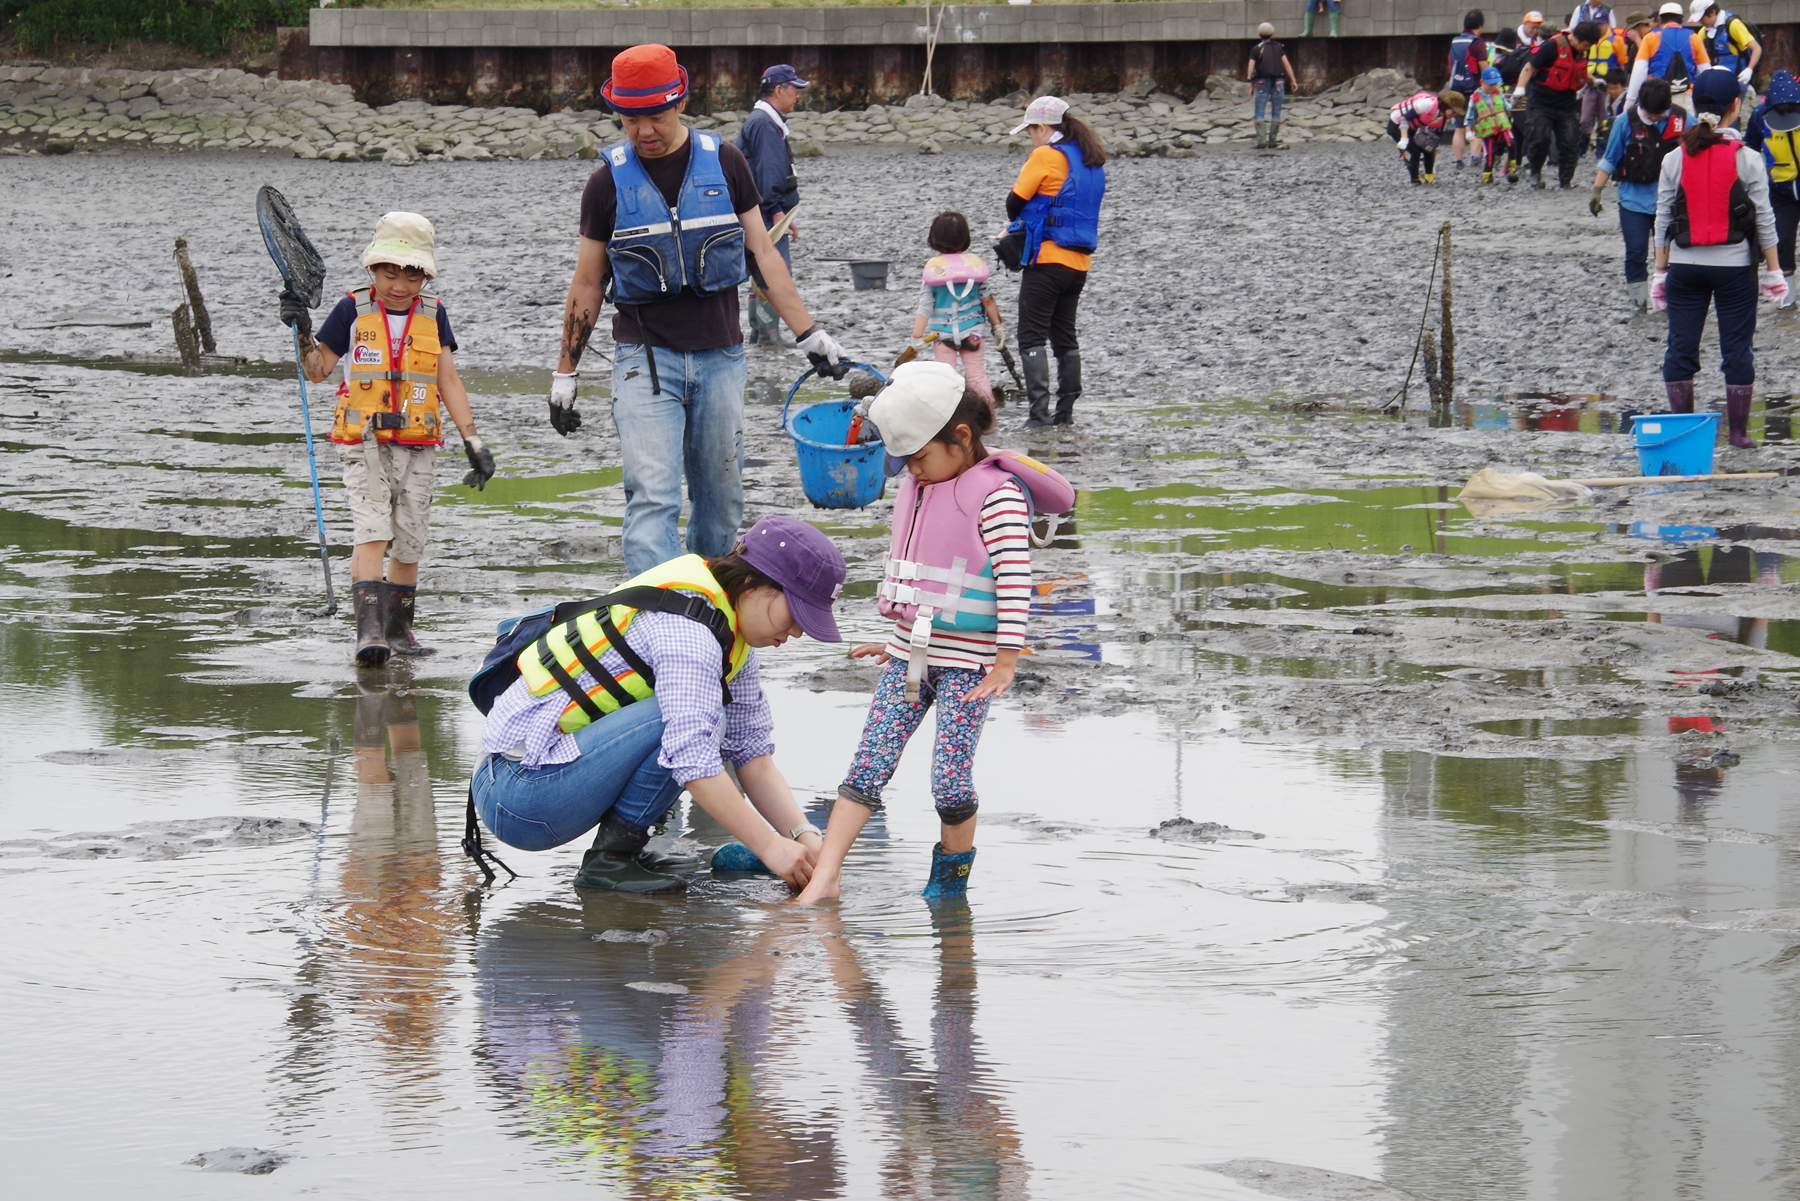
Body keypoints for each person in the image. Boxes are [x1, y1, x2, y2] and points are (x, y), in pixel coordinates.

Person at [548, 45, 847, 578]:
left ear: (680, 103)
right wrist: (565, 374)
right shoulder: (605, 184)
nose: (644, 131)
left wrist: (810, 334)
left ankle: (709, 608)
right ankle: (656, 617)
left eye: (656, 116)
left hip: (720, 358)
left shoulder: (726, 163)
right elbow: (588, 282)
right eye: (631, 118)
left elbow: (763, 254)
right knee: (652, 493)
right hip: (644, 360)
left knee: (720, 500)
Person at [791, 362, 1073, 904]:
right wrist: (894, 641)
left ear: (961, 438)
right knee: (867, 765)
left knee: (950, 781)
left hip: (970, 665)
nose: (913, 472)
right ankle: (825, 876)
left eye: (918, 458)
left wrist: (1006, 661)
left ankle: (950, 886)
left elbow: (1016, 583)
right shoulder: (922, 487)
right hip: (909, 658)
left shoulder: (997, 496)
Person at [469, 515, 847, 893]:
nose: (797, 631)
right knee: (699, 722)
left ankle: (619, 854)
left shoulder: (734, 638)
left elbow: (753, 756)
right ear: (753, 582)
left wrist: (805, 838)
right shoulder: (689, 632)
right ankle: (608, 864)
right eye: (795, 613)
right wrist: (768, 848)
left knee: (707, 719)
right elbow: (692, 758)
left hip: (552, 777)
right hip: (518, 795)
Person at [281, 212, 493, 667]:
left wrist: (474, 442)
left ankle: (400, 631)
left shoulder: (435, 316)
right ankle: (370, 632)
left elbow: (448, 380)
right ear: (372, 270)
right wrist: (301, 330)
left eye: (411, 274)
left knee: (410, 538)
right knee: (373, 530)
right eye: (389, 272)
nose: (399, 283)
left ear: (425, 275)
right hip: (365, 443)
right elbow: (317, 372)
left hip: (419, 443)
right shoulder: (351, 311)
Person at [1651, 69, 1785, 447]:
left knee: (1680, 347)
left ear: (1695, 105)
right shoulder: (1749, 159)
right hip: (1735, 270)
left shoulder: (1675, 158)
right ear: (1736, 107)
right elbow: (1764, 220)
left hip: (1684, 267)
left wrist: (1659, 271)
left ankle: (1684, 431)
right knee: (1737, 350)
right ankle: (1739, 434)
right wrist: (1775, 270)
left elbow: (1662, 220)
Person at [1004, 95, 1107, 427]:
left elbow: (1013, 203)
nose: (1030, 138)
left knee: (1031, 335)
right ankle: (1065, 414)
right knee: (1064, 335)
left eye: (1030, 131)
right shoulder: (1090, 158)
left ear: (1043, 127)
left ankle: (1038, 415)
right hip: (1079, 265)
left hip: (1047, 260)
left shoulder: (1045, 155)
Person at [1593, 76, 1685, 311]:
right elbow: (1610, 159)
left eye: (1660, 114)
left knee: (1673, 254)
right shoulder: (1625, 122)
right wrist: (1597, 192)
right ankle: (1639, 302)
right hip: (1633, 201)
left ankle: (1671, 301)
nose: (1655, 119)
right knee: (1635, 253)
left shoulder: (1682, 120)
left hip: (1671, 203)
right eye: (1651, 114)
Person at [737, 63, 808, 345]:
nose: (798, 95)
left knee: (760, 269)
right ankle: (768, 334)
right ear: (779, 90)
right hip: (766, 212)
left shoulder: (763, 121)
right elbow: (769, 173)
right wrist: (778, 211)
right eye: (794, 89)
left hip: (761, 210)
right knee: (774, 270)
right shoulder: (765, 125)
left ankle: (759, 331)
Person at [910, 211, 1005, 409]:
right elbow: (987, 300)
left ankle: (947, 419)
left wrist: (917, 336)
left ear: (934, 239)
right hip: (973, 333)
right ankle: (988, 419)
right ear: (965, 238)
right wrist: (998, 327)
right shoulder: (975, 268)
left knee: (945, 379)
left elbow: (925, 305)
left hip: (943, 336)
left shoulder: (934, 270)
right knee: (977, 376)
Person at [1518, 20, 1602, 188]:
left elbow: (1576, 69)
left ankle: (1565, 182)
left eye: (1589, 46)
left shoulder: (1581, 50)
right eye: (1585, 45)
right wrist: (1520, 89)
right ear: (1575, 38)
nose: (1586, 49)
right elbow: (1530, 66)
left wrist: (1594, 81)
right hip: (1542, 102)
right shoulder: (1552, 46)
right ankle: (1535, 174)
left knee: (1570, 143)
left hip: (1567, 104)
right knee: (1540, 139)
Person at [1745, 70, 1800, 308]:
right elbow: (1749, 150)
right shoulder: (1759, 115)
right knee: (1783, 243)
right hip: (1780, 193)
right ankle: (1787, 300)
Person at [1627, 2, 1710, 112]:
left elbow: (1639, 71)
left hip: (1656, 96)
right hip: (1685, 95)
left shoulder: (1650, 38)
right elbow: (1706, 72)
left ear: (1660, 20)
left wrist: (1630, 101)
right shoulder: (1694, 38)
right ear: (1682, 19)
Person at [1388, 88, 1465, 184]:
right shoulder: (1427, 104)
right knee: (1415, 151)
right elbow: (1405, 118)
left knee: (1428, 149)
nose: (1454, 114)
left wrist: (1432, 162)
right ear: (1446, 105)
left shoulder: (1444, 119)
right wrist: (1404, 139)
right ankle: (1415, 179)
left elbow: (1435, 143)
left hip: (1413, 127)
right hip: (1396, 123)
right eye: (1453, 111)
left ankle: (1429, 177)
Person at [1581, 18, 1632, 154]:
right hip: (1591, 82)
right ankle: (1582, 147)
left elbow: (1622, 62)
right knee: (1586, 117)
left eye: (1601, 23)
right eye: (1596, 23)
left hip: (1609, 82)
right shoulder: (1590, 39)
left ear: (1608, 23)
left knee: (1605, 117)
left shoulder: (1616, 40)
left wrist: (1621, 82)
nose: (1599, 26)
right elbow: (1583, 60)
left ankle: (1601, 147)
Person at [1448, 11, 1491, 169]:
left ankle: (1458, 160)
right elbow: (1484, 69)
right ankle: (1474, 157)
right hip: (1473, 89)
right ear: (1480, 26)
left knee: (1459, 128)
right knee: (1478, 124)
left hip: (1455, 89)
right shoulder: (1478, 43)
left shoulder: (1455, 41)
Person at [1247, 22, 1301, 149]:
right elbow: (1287, 65)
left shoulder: (1256, 49)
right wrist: (1293, 80)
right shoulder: (1279, 47)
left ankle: (1261, 142)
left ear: (1259, 34)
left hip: (1262, 82)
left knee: (1259, 112)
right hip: (1279, 82)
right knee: (1276, 113)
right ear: (1272, 34)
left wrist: (1251, 85)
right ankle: (1272, 141)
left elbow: (1250, 69)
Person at [1691, 2, 1760, 97]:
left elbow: (1756, 48)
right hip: (1715, 84)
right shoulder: (1703, 32)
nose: (1700, 22)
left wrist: (1749, 69)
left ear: (1712, 12)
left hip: (1736, 81)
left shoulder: (1733, 25)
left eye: (1702, 18)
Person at [1493, 27, 1533, 178]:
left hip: (1508, 95)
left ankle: (1508, 168)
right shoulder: (1524, 56)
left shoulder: (1500, 60)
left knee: (1514, 134)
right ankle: (1527, 165)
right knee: (1526, 131)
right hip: (1522, 96)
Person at [1471, 66, 1517, 181]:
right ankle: (1487, 177)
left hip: (1502, 127)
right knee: (1490, 155)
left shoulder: (1499, 92)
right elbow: (1470, 116)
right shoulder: (1475, 98)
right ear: (1482, 82)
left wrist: (1512, 105)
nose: (1493, 87)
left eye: (1495, 84)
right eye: (1490, 84)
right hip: (1487, 131)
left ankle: (1512, 164)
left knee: (1511, 142)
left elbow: (1506, 106)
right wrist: (1468, 130)